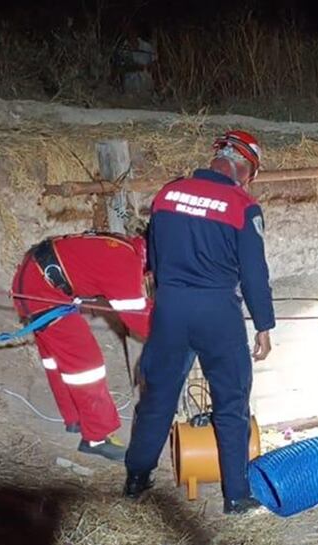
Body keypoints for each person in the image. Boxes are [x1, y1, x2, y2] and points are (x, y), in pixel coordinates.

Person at [123, 130, 275, 516]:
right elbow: (254, 274)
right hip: (217, 312)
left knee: (157, 396)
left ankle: (136, 479)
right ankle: (236, 495)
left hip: (171, 307)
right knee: (231, 402)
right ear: (245, 169)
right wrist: (263, 324)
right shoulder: (243, 206)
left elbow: (152, 262)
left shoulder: (167, 195)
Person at [11, 232, 150, 461]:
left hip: (33, 282)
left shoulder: (122, 246)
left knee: (57, 359)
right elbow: (138, 318)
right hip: (42, 294)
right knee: (86, 367)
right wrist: (177, 332)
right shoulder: (126, 262)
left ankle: (75, 418)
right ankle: (97, 438)